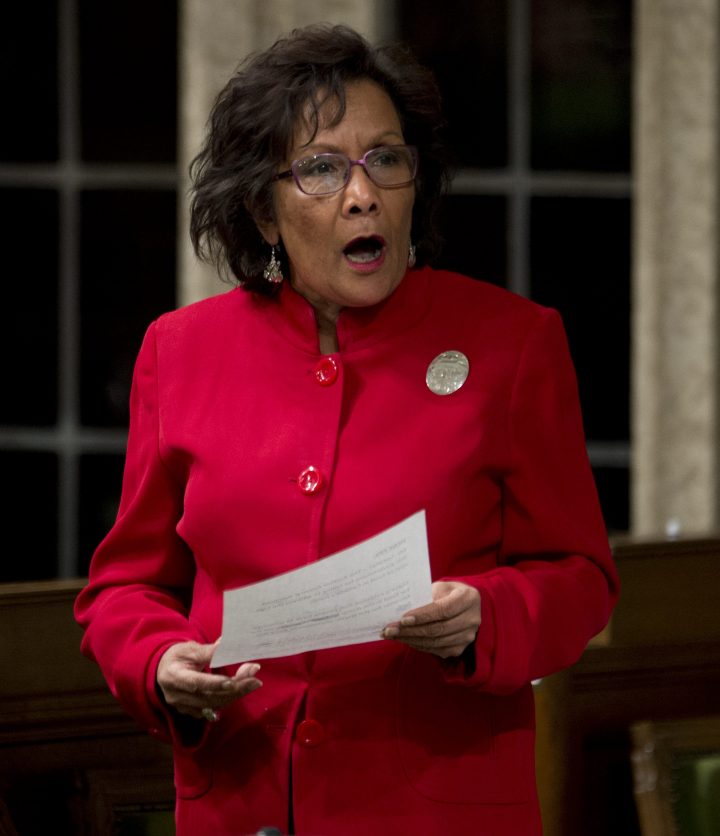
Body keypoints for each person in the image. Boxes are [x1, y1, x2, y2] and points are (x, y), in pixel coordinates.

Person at [75, 23, 619, 836]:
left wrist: (487, 615)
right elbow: (124, 590)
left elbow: (582, 578)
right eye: (323, 169)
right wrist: (157, 662)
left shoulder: (515, 343)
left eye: (386, 161)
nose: (362, 195)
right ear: (263, 210)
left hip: (438, 806)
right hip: (242, 800)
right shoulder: (180, 352)